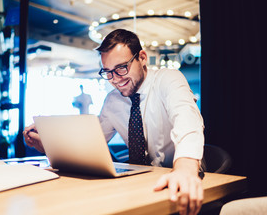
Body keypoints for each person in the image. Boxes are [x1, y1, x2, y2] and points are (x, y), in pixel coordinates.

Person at [23, 29, 205, 215]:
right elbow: (90, 145)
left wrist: (185, 168)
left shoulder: (168, 79)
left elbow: (188, 120)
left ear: (142, 57)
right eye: (108, 72)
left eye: (121, 68)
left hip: (180, 178)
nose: (116, 79)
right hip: (142, 184)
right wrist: (49, 145)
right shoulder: (112, 101)